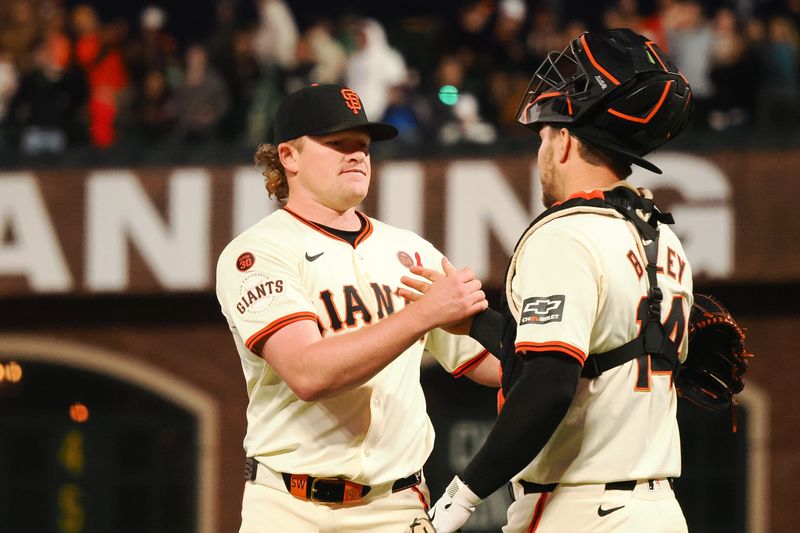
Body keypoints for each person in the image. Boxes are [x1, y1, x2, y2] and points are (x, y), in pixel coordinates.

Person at [401, 29, 695, 532]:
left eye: (543, 135)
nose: (541, 149)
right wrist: (476, 323)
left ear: (563, 141)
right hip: (658, 510)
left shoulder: (566, 233)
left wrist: (460, 499)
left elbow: (548, 386)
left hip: (583, 509)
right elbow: (591, 359)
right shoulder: (660, 235)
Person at [214, 83, 499, 533]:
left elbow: (493, 368)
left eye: (363, 146)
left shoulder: (411, 250)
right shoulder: (257, 252)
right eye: (336, 143)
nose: (356, 155)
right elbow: (309, 374)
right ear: (288, 157)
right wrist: (424, 314)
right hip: (290, 507)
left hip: (397, 504)